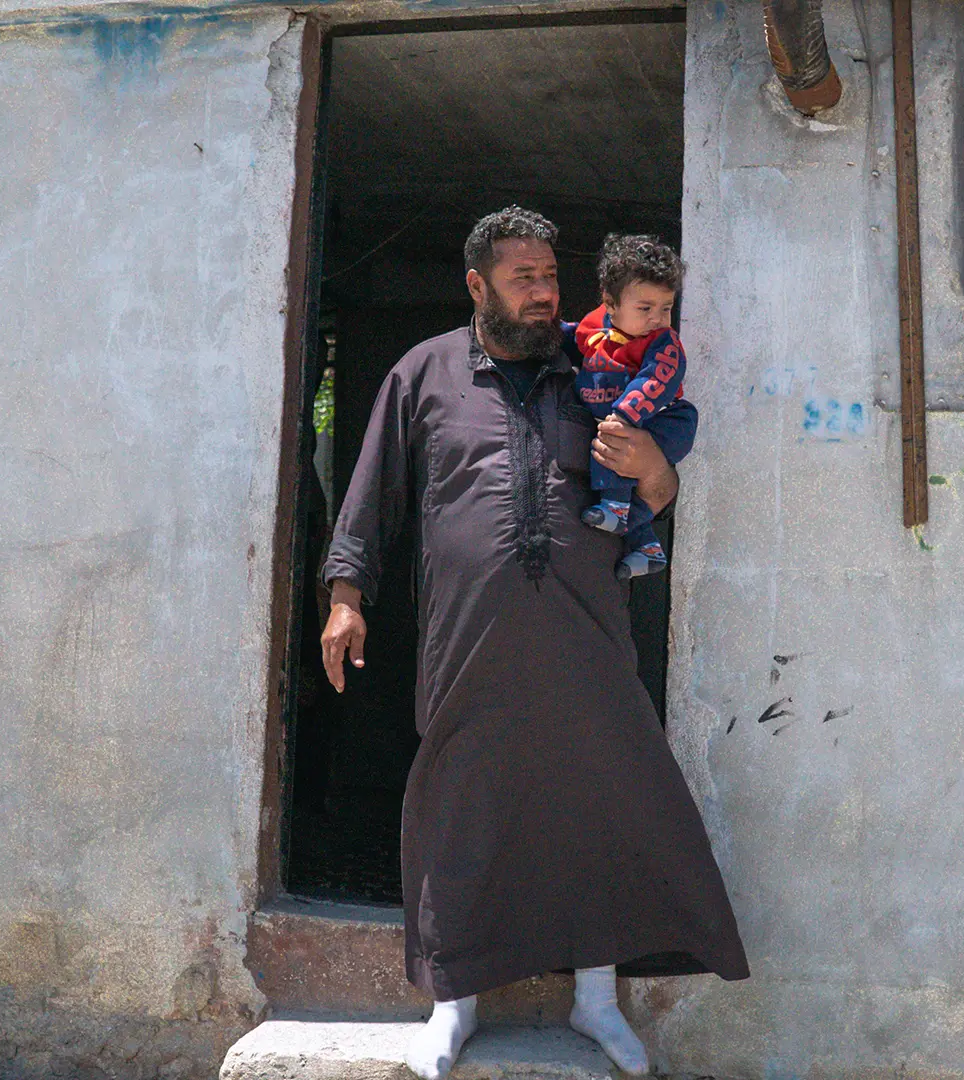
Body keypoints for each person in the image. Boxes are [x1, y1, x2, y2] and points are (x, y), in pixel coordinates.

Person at [320, 207, 749, 1080]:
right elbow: (372, 496)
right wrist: (345, 595)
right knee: (462, 801)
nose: (545, 293)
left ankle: (597, 1001)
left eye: (552, 277)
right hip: (466, 638)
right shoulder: (425, 373)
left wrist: (649, 468)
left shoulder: (595, 369)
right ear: (477, 286)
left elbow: (660, 491)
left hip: (585, 632)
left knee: (599, 797)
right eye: (524, 279)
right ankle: (454, 1006)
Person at [571, 235, 697, 580]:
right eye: (645, 308)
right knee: (611, 444)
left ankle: (617, 508)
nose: (658, 318)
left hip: (666, 420)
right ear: (610, 304)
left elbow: (658, 379)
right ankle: (646, 548)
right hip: (625, 423)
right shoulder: (595, 329)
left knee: (612, 445)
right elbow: (571, 338)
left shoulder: (663, 343)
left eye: (666, 308)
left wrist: (626, 414)